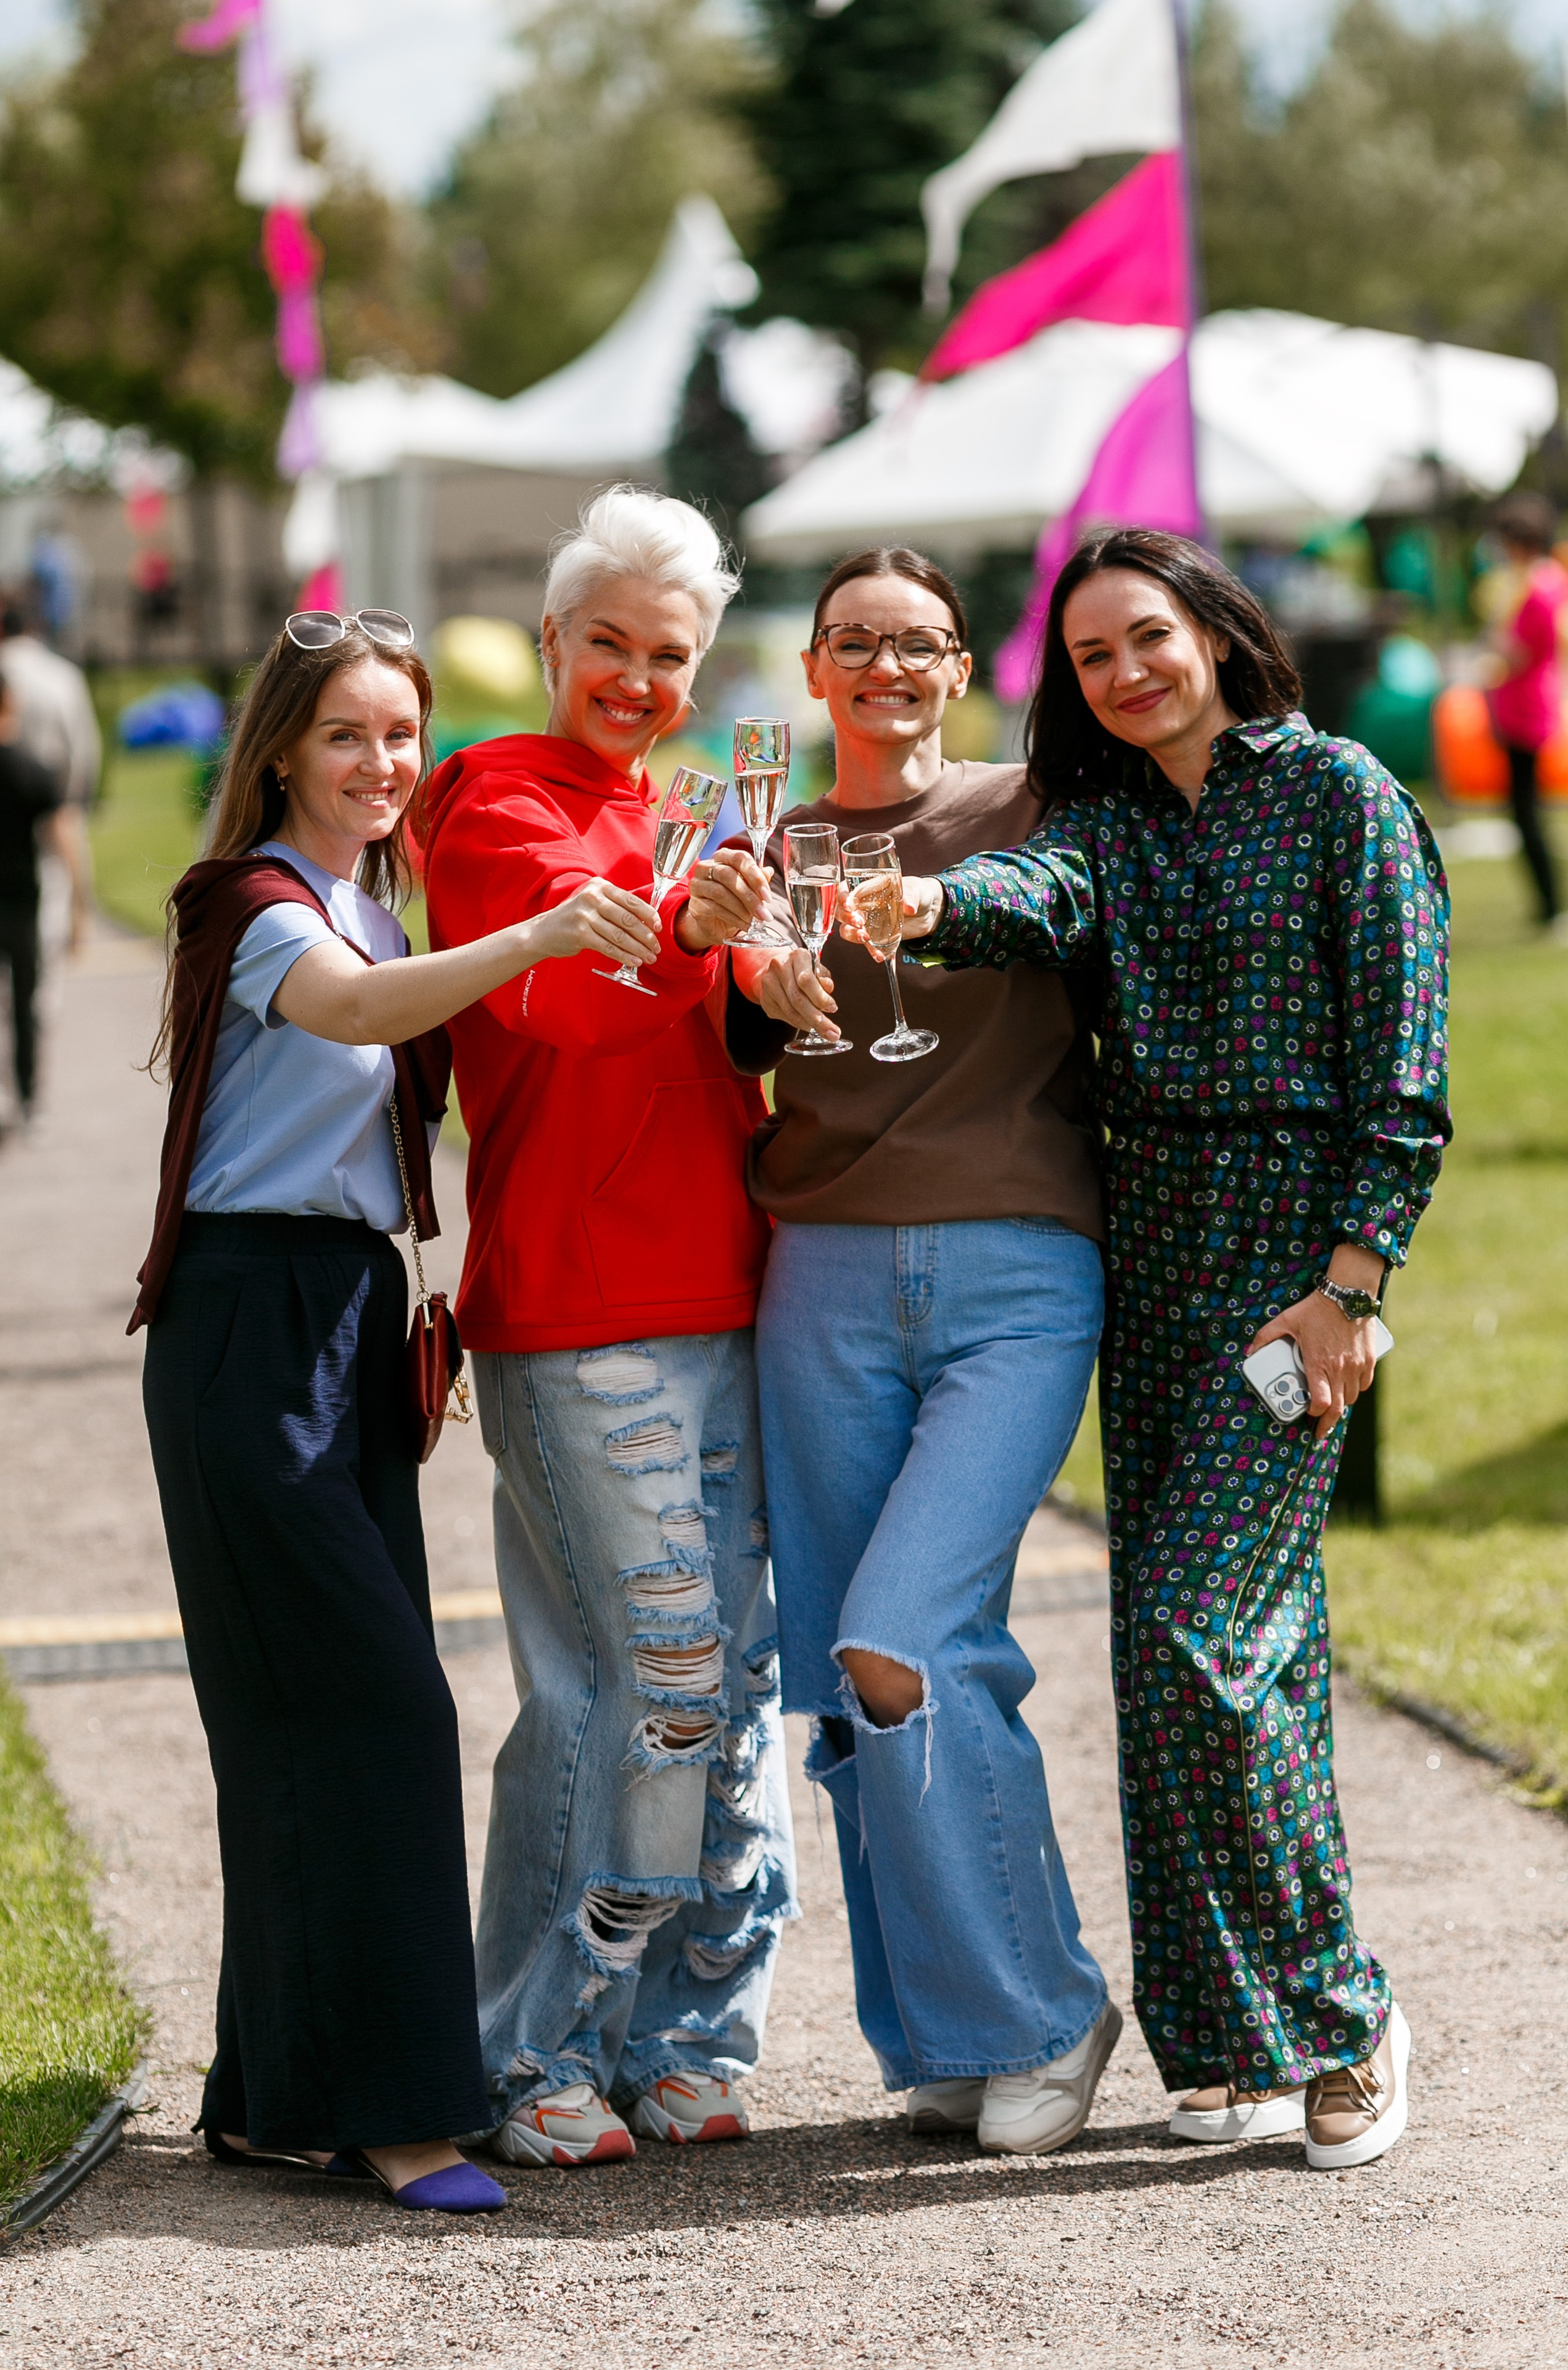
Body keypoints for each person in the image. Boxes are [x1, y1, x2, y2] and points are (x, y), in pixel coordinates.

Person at [891, 529, 1450, 2174]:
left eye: (1146, 637)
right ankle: (1224, 2039)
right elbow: (1026, 898)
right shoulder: (1111, 830)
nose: (1124, 673)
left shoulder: (1342, 793)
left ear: (1215, 632)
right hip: (1153, 1274)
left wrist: (1354, 1284)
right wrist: (928, 898)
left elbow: (1405, 1056)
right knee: (1185, 1657)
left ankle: (1347, 2019)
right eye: (1089, 658)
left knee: (1215, 1638)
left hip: (1295, 1280)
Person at [136, 607, 670, 2211]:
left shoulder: (363, 897)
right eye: (349, 735)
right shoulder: (265, 906)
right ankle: (397, 2115)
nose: (383, 764)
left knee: (304, 1725)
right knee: (374, 1712)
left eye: (402, 736)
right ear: (285, 748)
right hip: (254, 1318)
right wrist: (539, 934)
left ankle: (270, 2095)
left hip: (347, 1313)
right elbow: (367, 1017)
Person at [718, 548, 1118, 2154]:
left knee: (909, 1634)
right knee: (847, 1681)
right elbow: (739, 1034)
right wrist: (743, 967)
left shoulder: (1036, 812)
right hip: (817, 1271)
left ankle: (1047, 2012)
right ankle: (947, 2036)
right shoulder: (765, 843)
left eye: (921, 643)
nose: (888, 665)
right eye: (857, 641)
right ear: (815, 668)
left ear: (962, 668)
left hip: (1019, 1270)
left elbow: (1092, 942)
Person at [418, 487, 797, 2169]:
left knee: (719, 1685)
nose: (640, 680)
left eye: (673, 654)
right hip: (582, 1316)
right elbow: (558, 998)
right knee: (644, 1688)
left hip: (733, 1297)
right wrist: (682, 929)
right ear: (557, 640)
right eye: (613, 646)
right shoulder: (495, 795)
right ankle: (533, 2045)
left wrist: (768, 968)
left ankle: (689, 2036)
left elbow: (735, 1065)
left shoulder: (694, 814)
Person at [1483, 494, 1568, 937]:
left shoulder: (1538, 587)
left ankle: (1554, 906)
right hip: (1522, 706)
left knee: (1527, 812)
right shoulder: (1541, 580)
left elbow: (1517, 650)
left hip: (1527, 710)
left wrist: (1494, 649)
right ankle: (1549, 905)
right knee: (1524, 810)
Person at [0, 597, 99, 951]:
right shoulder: (62, 674)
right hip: (55, 805)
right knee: (48, 925)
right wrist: (77, 802)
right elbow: (84, 748)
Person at [0, 673, 67, 1127]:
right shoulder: (32, 769)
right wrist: (79, 904)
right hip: (22, 903)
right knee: (25, 1003)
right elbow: (61, 838)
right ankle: (28, 1100)